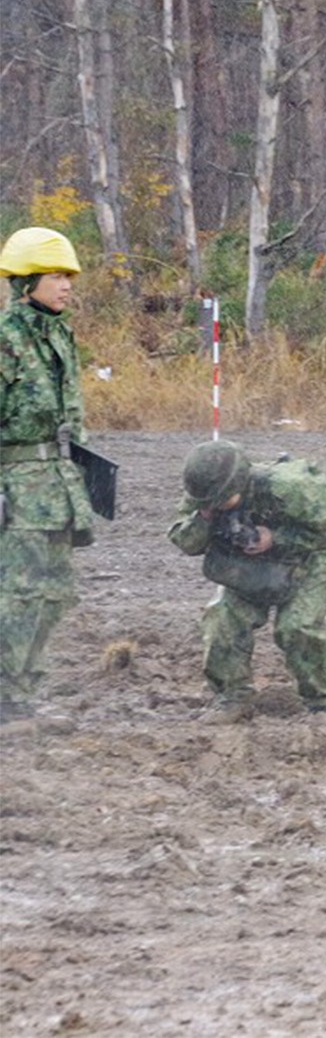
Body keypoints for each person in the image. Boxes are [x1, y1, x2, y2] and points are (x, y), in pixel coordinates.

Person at [167, 440, 326, 720]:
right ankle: (232, 698)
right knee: (222, 620)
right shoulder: (205, 494)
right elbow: (187, 542)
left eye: (222, 501)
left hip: (311, 555)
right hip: (249, 560)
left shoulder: (290, 488)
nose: (216, 506)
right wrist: (204, 517)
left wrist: (275, 538)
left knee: (297, 627)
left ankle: (319, 704)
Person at [0, 228, 99, 726]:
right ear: (27, 282)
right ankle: (6, 696)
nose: (66, 286)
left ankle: (25, 689)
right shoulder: (6, 339)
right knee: (18, 595)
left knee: (56, 594)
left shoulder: (60, 335)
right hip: (17, 489)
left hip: (59, 486)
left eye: (68, 277)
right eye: (57, 276)